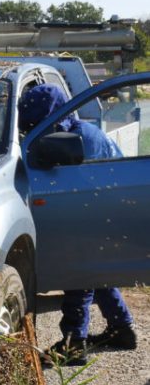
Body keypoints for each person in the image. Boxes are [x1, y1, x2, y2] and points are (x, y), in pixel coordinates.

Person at [19, 83, 137, 366]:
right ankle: (122, 330)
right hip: (105, 210)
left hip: (100, 214)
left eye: (37, 123)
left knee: (79, 273)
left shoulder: (79, 139)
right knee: (97, 275)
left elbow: (77, 186)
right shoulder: (75, 130)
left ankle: (74, 343)